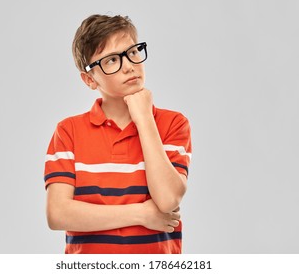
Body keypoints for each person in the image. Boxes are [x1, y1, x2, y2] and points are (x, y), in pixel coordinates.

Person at [44, 14, 192, 254]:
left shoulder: (172, 123)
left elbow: (167, 200)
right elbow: (58, 214)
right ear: (89, 79)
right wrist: (141, 213)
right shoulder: (68, 131)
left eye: (133, 52)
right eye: (112, 60)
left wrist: (144, 119)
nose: (129, 65)